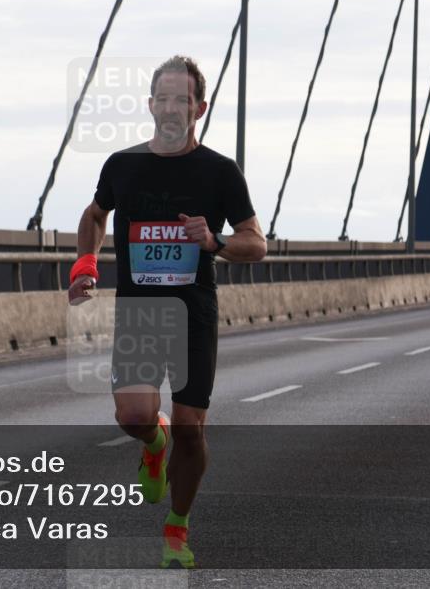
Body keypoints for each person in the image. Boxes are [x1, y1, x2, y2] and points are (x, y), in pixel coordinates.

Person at [67, 56, 266, 568]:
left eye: (184, 99)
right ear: (151, 104)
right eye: (164, 98)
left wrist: (215, 240)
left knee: (191, 430)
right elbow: (95, 215)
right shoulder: (122, 164)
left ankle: (176, 530)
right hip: (140, 312)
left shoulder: (220, 172)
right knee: (133, 416)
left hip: (194, 313)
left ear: (199, 108)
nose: (173, 107)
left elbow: (256, 243)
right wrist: (86, 264)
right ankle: (151, 445)